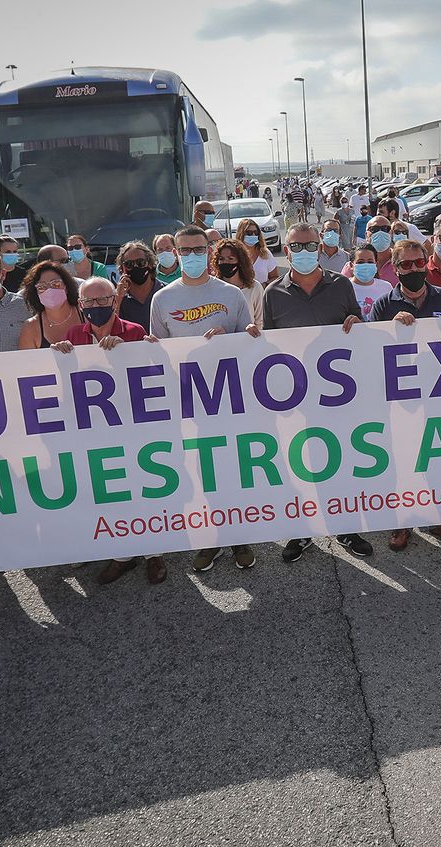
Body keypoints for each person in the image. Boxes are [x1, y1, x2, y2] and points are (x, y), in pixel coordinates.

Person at [150, 228, 263, 574]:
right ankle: (212, 538)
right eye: (185, 250)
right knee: (204, 473)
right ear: (175, 253)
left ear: (208, 251)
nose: (192, 256)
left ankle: (239, 537)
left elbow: (249, 344)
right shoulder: (162, 299)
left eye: (198, 249)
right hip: (189, 403)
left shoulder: (231, 294)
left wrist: (238, 337)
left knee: (234, 469)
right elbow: (158, 354)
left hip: (229, 397)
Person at [260, 223, 372, 563]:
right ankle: (302, 529)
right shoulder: (273, 293)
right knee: (302, 466)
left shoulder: (341, 285)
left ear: (320, 247)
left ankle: (346, 527)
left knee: (341, 462)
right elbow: (269, 347)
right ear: (287, 251)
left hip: (338, 397)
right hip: (296, 399)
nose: (304, 251)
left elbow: (357, 327)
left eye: (310, 245)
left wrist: (357, 324)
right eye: (296, 246)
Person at [48, 277, 164, 583]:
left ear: (114, 301)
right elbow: (67, 381)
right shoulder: (74, 335)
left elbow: (153, 375)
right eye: (89, 301)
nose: (95, 306)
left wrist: (129, 353)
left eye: (102, 300)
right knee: (113, 492)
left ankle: (154, 553)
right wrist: (59, 356)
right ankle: (122, 555)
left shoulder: (134, 331)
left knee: (144, 489)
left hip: (133, 426)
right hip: (96, 431)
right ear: (80, 305)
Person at [372, 239, 441, 551]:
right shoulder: (384, 304)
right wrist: (391, 328)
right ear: (395, 269)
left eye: (418, 263)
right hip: (401, 399)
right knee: (403, 461)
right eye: (406, 265)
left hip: (440, 394)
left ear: (426, 263)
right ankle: (402, 523)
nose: (413, 269)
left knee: (438, 460)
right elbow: (370, 349)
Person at [16, 260, 84, 349]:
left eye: (56, 284)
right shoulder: (31, 328)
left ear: (66, 287)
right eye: (41, 287)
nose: (49, 290)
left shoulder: (85, 314)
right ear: (36, 294)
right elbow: (27, 358)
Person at [212, 237, 268, 326]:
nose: (225, 262)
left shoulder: (255, 288)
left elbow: (261, 321)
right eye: (221, 259)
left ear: (240, 262)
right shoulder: (213, 288)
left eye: (230, 258)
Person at [112, 240, 159, 331]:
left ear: (150, 264)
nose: (136, 267)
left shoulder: (165, 291)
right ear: (122, 268)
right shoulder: (116, 297)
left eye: (140, 262)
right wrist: (118, 298)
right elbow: (111, 329)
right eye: (129, 264)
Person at [348, 243, 394, 320]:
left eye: (370, 262)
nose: (366, 265)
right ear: (351, 265)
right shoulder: (344, 288)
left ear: (376, 264)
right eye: (360, 262)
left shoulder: (386, 287)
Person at [235, 218, 281, 284]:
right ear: (241, 234)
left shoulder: (265, 253)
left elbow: (275, 277)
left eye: (256, 232)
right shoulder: (234, 254)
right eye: (249, 233)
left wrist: (264, 285)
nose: (253, 235)